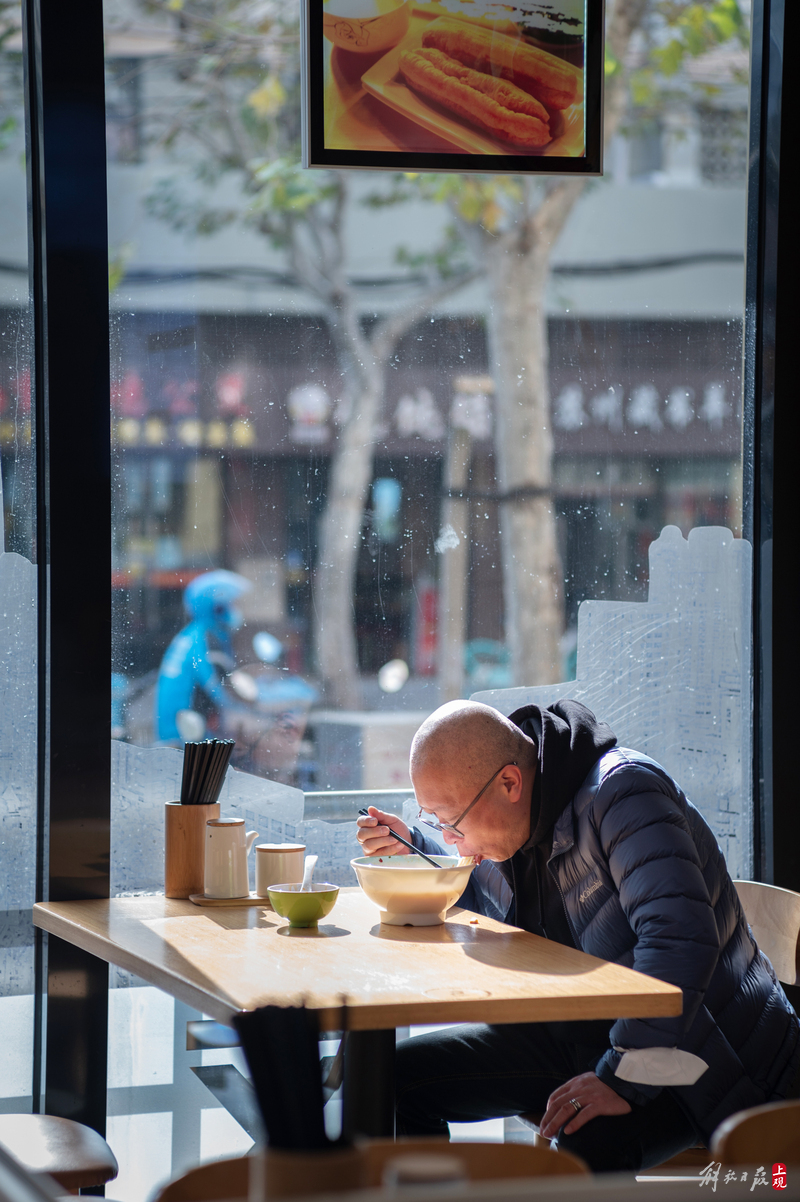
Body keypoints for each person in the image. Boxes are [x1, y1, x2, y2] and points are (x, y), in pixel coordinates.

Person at [356, 699, 800, 1173]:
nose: (449, 838)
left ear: (509, 783)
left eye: (450, 822)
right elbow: (484, 899)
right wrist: (414, 849)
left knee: (584, 1146)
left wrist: (621, 1077)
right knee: (390, 1082)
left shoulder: (625, 794)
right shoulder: (517, 818)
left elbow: (680, 943)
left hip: (697, 1056)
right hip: (585, 1036)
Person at [155, 569, 250, 742]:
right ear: (217, 608)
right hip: (183, 734)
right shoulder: (204, 638)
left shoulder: (193, 633)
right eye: (229, 605)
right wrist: (243, 709)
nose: (234, 610)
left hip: (175, 726)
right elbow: (215, 685)